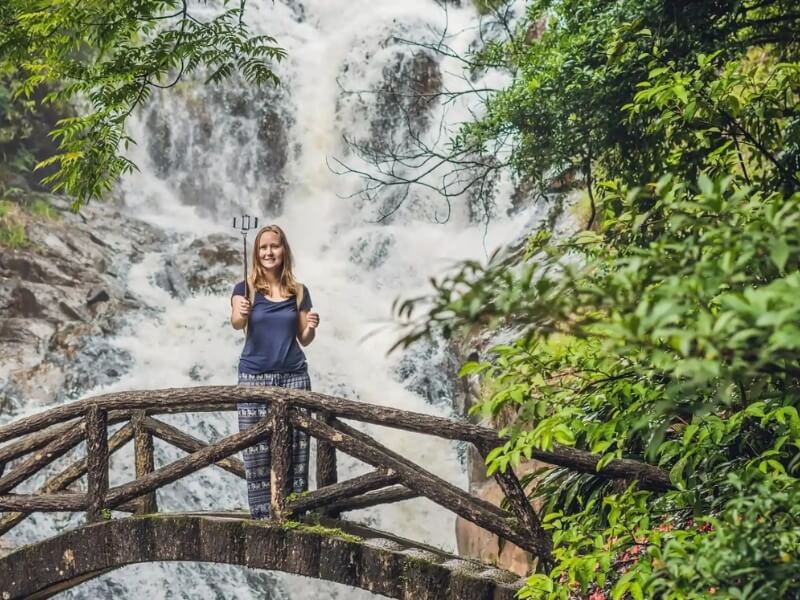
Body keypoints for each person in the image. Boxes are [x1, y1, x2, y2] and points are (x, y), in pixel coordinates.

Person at [230, 224, 320, 519]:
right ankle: (263, 518)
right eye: (263, 247)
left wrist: (311, 327)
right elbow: (236, 322)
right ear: (257, 253)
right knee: (256, 450)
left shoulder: (299, 291)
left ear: (284, 250)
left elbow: (304, 338)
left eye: (275, 246)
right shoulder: (245, 288)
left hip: (294, 377)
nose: (269, 252)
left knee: (295, 449)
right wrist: (241, 312)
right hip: (254, 378)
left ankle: (293, 516)